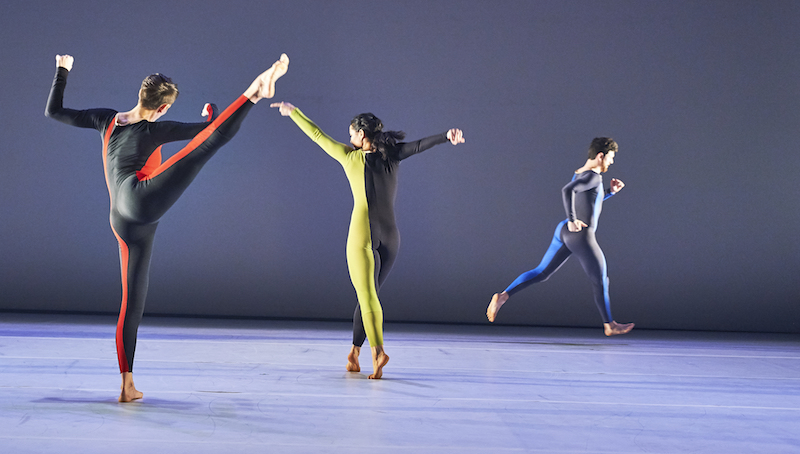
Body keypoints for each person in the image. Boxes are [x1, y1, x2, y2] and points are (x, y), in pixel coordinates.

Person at [45, 53, 289, 402]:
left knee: (132, 302)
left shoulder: (106, 120)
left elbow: (54, 111)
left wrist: (62, 71)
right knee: (203, 148)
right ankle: (255, 90)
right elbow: (207, 132)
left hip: (123, 221)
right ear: (161, 109)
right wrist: (209, 115)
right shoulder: (156, 128)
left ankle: (127, 385)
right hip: (139, 201)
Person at [270, 101, 464, 378]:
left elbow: (316, 135)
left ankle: (378, 351)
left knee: (368, 296)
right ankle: (354, 353)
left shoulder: (350, 157)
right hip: (392, 236)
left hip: (363, 233)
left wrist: (293, 112)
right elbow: (420, 145)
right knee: (368, 298)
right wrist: (446, 135)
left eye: (351, 134)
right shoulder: (392, 155)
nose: (349, 139)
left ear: (362, 136)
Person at [486, 138, 634, 336]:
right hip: (580, 234)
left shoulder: (581, 172)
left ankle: (503, 296)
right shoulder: (594, 177)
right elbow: (567, 191)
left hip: (563, 231)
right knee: (601, 280)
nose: (612, 162)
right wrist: (573, 219)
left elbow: (588, 200)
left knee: (542, 272)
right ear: (601, 156)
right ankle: (610, 325)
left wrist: (610, 192)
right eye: (611, 157)